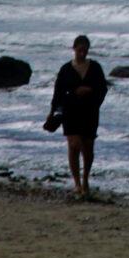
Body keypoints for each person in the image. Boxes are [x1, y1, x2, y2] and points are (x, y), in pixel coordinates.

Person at [44, 34, 108, 197]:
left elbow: (103, 88)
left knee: (88, 147)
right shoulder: (65, 69)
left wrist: (91, 92)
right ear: (74, 49)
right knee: (74, 145)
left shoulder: (95, 67)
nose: (82, 53)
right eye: (80, 50)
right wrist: (52, 112)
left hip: (90, 111)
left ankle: (85, 178)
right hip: (70, 110)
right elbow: (58, 92)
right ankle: (77, 182)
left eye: (85, 51)